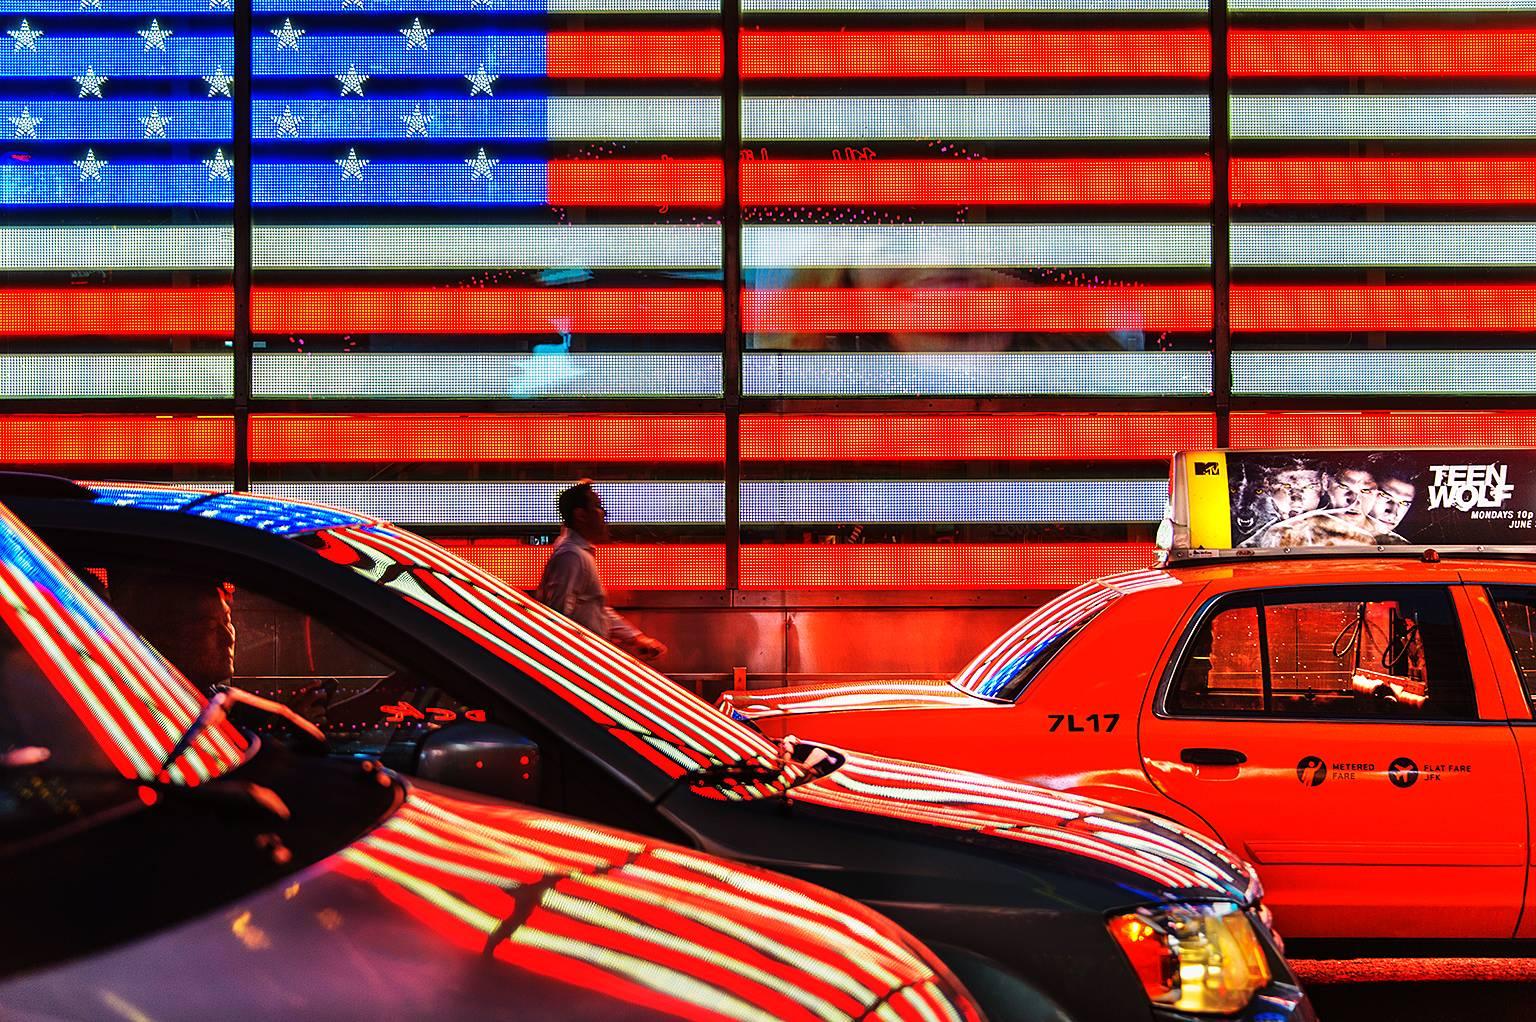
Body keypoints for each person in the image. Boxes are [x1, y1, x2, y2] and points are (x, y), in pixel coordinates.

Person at [536, 480, 667, 662]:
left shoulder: (580, 553)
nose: (603, 513)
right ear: (580, 515)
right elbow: (558, 617)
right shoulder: (572, 556)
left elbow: (596, 609)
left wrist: (635, 638)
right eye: (597, 507)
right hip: (581, 663)